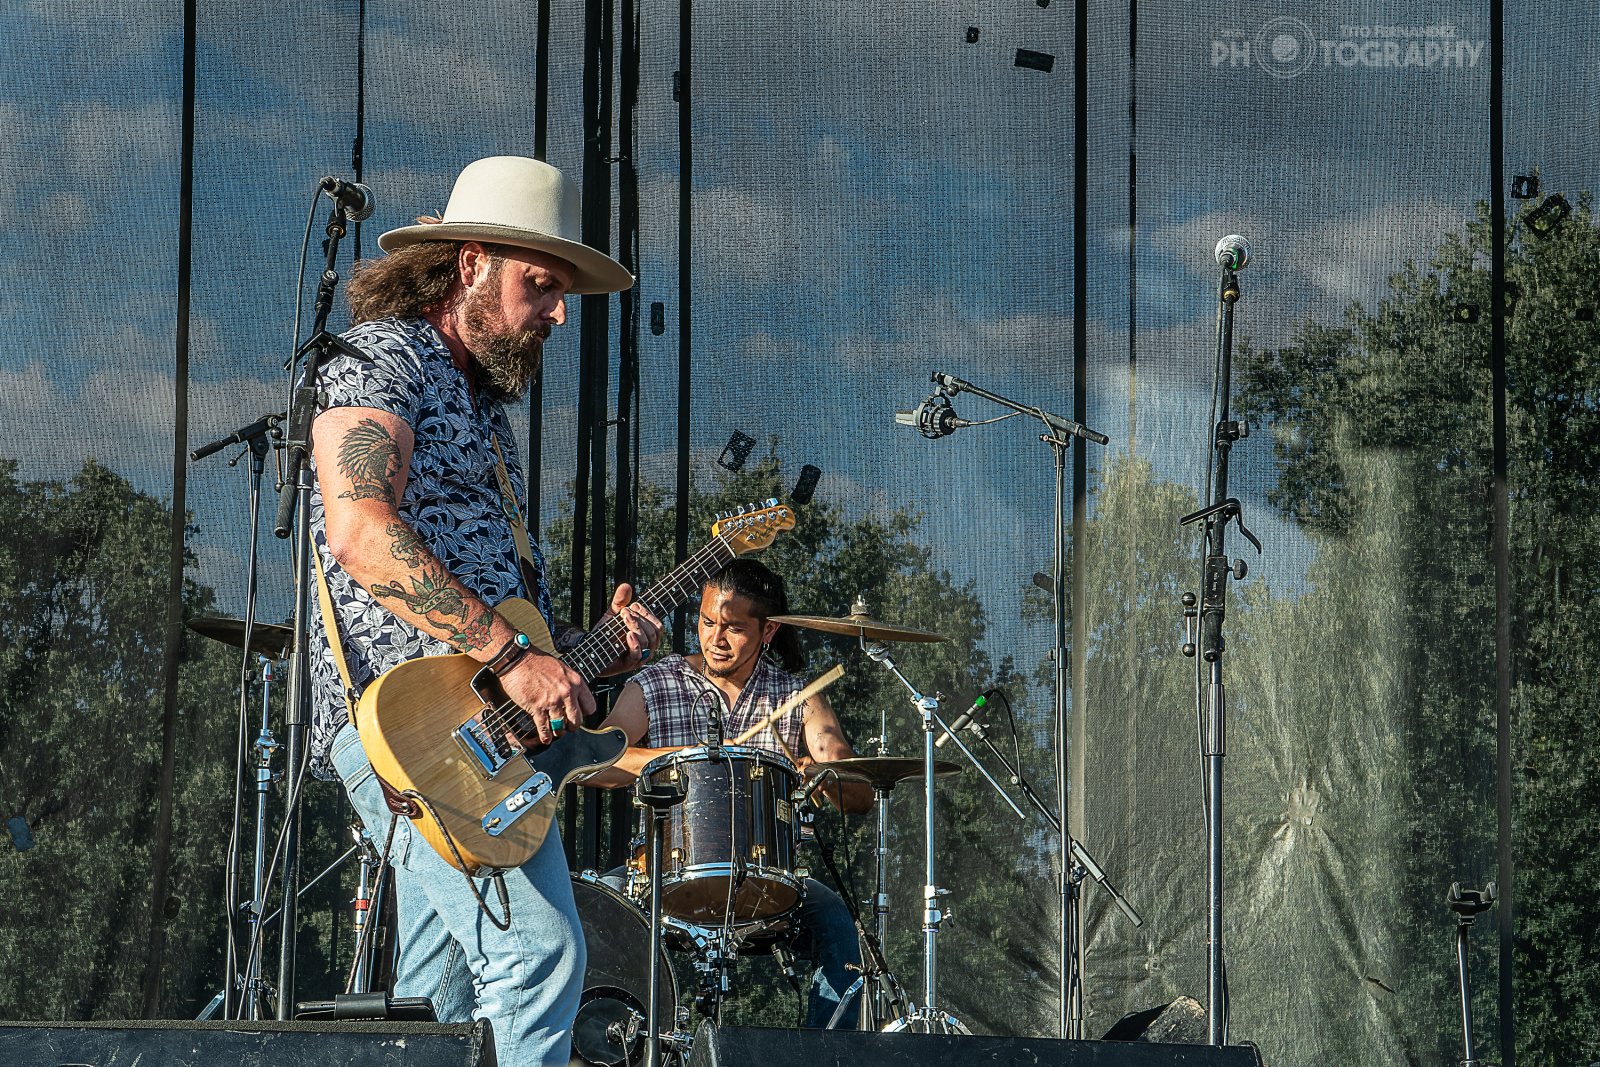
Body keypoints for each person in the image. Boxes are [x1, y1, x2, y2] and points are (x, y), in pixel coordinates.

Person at [306, 155, 662, 1066]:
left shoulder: (480, 406)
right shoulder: (385, 359)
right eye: (539, 286)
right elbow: (358, 528)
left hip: (478, 730)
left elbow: (504, 621)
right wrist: (513, 654)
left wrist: (590, 655)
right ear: (470, 265)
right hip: (410, 721)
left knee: (436, 1004)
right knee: (539, 955)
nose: (557, 313)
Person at [588, 558, 876, 1028]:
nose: (715, 639)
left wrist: (818, 773)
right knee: (595, 912)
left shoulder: (796, 696)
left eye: (734, 628)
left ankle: (828, 1055)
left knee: (837, 924)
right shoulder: (657, 682)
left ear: (767, 631)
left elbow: (857, 788)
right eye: (706, 622)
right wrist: (681, 756)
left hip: (773, 877)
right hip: (661, 871)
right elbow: (600, 760)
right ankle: (616, 1049)